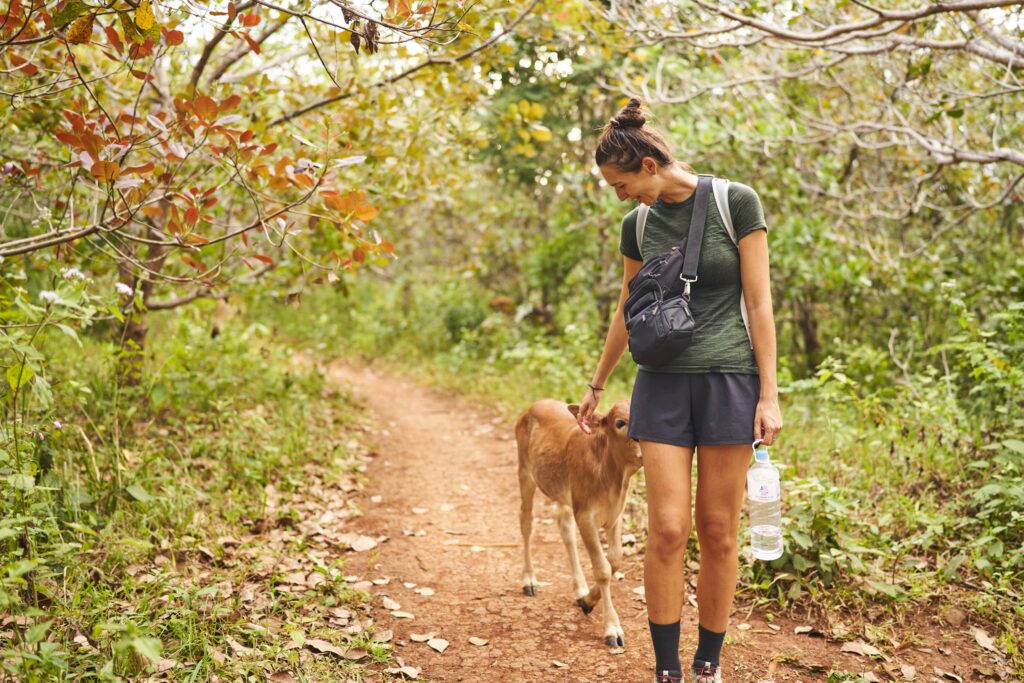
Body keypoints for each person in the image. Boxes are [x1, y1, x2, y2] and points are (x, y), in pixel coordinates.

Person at [576, 99, 783, 683]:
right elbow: (626, 307)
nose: (621, 197)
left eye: (622, 185)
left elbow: (761, 302)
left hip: (730, 382)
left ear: (648, 163)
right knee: (668, 529)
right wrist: (597, 383)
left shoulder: (734, 202)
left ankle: (708, 663)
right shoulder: (636, 225)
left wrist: (769, 395)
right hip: (662, 387)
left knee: (718, 531)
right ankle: (667, 670)